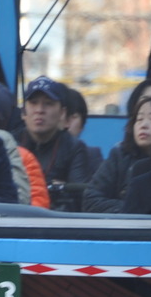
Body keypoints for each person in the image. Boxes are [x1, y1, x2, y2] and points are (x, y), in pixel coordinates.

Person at [84, 80, 151, 213]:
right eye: (139, 118)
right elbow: (91, 199)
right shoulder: (120, 154)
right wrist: (130, 210)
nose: (144, 124)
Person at [17, 76, 99, 210]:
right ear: (23, 112)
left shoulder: (74, 147)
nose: (39, 110)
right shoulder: (9, 143)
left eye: (48, 103)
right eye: (33, 102)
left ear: (62, 113)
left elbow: (79, 199)